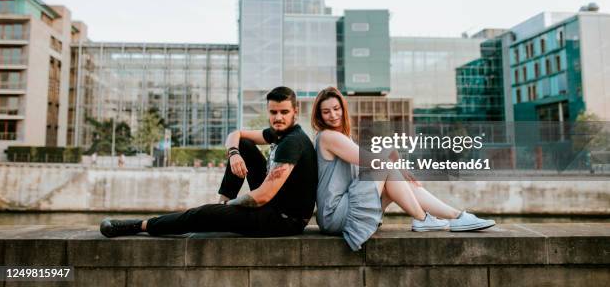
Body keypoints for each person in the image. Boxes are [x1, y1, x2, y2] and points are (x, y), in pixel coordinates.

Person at [100, 86, 317, 238]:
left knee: (202, 214)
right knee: (243, 146)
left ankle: (139, 226)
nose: (278, 117)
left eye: (284, 112)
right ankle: (221, 205)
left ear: (295, 113)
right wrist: (234, 153)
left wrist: (224, 210)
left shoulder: (293, 142)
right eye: (273, 112)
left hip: (284, 220)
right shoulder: (278, 133)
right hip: (275, 205)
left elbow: (262, 197)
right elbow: (236, 134)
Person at [312, 87, 495, 251]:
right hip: (335, 215)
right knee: (388, 168)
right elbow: (371, 161)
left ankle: (455, 216)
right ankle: (425, 219)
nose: (333, 115)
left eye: (337, 109)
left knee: (395, 179)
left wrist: (396, 164)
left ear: (343, 109)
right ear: (320, 116)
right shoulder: (328, 136)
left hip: (347, 206)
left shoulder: (343, 137)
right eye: (326, 112)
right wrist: (394, 158)